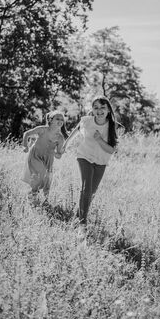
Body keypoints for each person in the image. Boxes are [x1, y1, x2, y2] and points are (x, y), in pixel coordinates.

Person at [63, 95, 119, 235]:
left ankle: (78, 216)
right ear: (92, 110)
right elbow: (75, 132)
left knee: (91, 192)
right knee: (86, 188)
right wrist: (64, 146)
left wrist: (100, 140)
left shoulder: (112, 125)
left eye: (102, 107)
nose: (99, 110)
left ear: (108, 110)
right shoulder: (87, 121)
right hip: (84, 156)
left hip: (101, 161)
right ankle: (82, 225)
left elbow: (111, 150)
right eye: (96, 108)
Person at [21, 110, 68, 204]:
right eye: (57, 118)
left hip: (48, 160)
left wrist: (56, 153)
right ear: (50, 120)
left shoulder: (60, 138)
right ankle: (33, 195)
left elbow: (58, 156)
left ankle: (35, 197)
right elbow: (26, 134)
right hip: (36, 156)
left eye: (62, 119)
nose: (60, 121)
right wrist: (25, 146)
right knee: (40, 174)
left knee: (46, 179)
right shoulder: (42, 129)